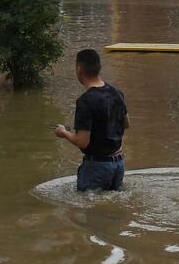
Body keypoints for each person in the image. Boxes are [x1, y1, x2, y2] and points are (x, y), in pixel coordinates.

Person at [55, 49, 129, 192]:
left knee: (89, 210)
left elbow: (82, 141)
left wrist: (63, 133)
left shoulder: (85, 101)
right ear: (99, 68)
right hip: (119, 164)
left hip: (97, 167)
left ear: (79, 70)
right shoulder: (117, 92)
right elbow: (126, 123)